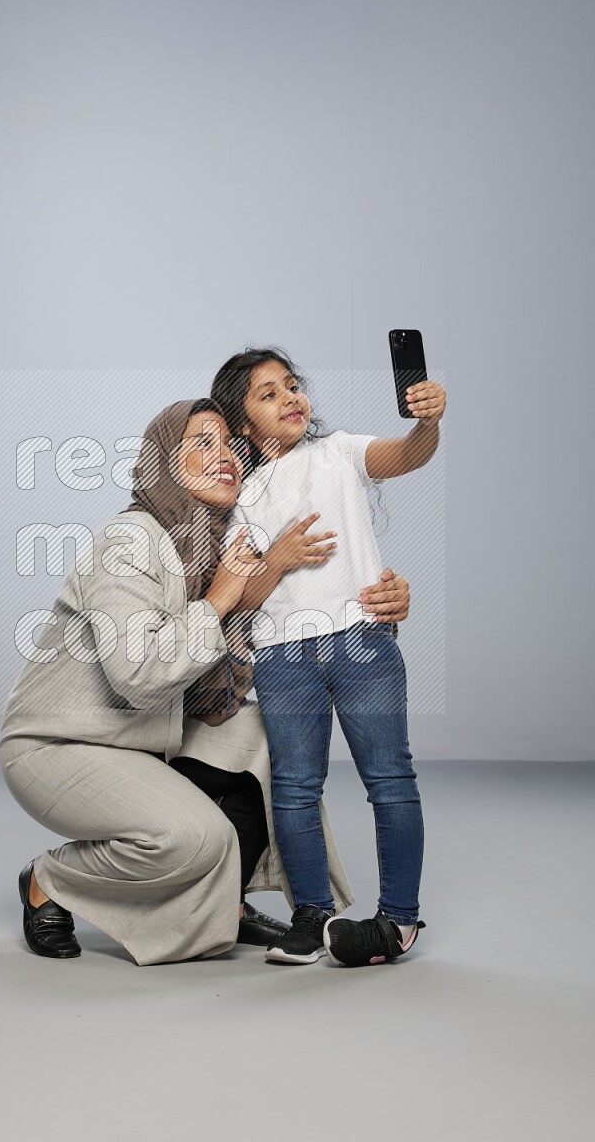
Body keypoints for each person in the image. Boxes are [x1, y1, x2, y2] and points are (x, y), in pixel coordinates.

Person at [0, 397, 412, 966]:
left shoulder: (223, 543)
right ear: (164, 462)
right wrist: (221, 596)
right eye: (202, 442)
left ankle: (229, 901)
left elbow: (275, 624)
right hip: (63, 745)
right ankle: (50, 879)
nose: (225, 457)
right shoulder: (131, 540)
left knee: (269, 741)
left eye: (229, 444)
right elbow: (138, 674)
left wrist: (383, 600)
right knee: (197, 839)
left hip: (143, 736)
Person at [210, 347, 446, 967]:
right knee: (292, 787)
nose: (290, 397)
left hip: (360, 641)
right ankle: (311, 914)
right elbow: (238, 597)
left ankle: (398, 921)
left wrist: (427, 423)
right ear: (241, 424)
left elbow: (405, 455)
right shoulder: (238, 496)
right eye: (267, 394)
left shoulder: (337, 451)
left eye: (291, 385)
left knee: (389, 779)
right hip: (282, 653)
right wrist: (278, 560)